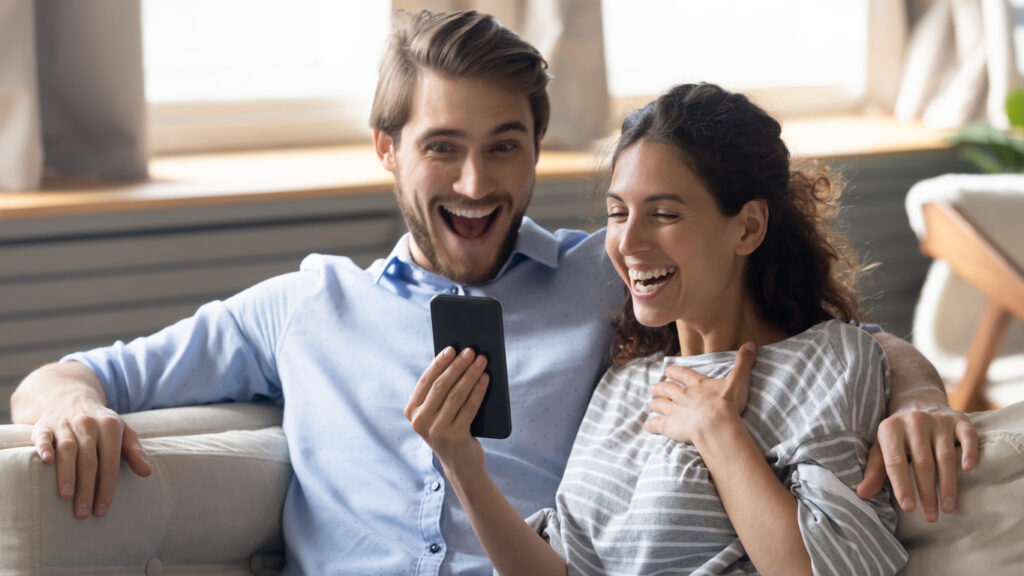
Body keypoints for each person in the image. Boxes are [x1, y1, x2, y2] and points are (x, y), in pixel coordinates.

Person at [9, 9, 973, 575]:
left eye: (504, 147)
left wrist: (919, 392)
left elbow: (808, 337)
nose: (477, 185)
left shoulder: (612, 270)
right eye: (443, 148)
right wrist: (71, 409)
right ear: (387, 151)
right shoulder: (304, 307)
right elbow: (70, 374)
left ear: (535, 149)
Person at [408, 83, 910, 575]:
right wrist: (464, 467)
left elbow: (832, 568)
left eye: (664, 214)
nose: (627, 242)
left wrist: (718, 432)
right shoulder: (622, 382)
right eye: (617, 213)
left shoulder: (832, 361)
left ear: (749, 227)